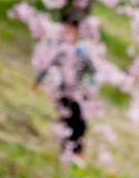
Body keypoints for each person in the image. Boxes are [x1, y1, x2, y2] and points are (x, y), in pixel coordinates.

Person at [37, 23, 96, 160]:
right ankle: (65, 151)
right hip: (63, 91)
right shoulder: (61, 50)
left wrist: (87, 86)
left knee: (80, 123)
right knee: (67, 120)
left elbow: (92, 70)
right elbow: (48, 64)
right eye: (66, 31)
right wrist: (38, 80)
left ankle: (76, 153)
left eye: (72, 32)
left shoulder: (81, 51)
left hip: (79, 93)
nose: (68, 34)